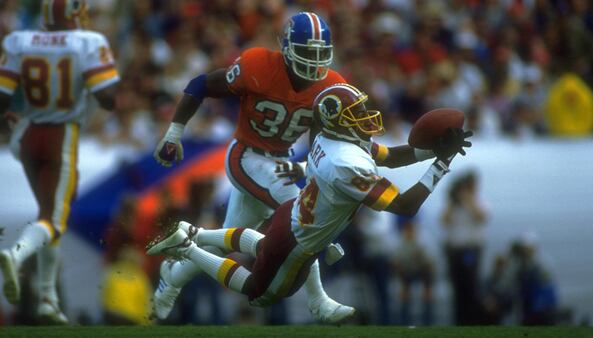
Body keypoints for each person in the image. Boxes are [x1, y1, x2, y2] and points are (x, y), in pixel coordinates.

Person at [146, 83, 472, 319]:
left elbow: (394, 156)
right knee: (259, 292)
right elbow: (406, 206)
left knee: (260, 248)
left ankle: (196, 233)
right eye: (355, 112)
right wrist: (441, 164)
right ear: (337, 119)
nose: (365, 116)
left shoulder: (333, 137)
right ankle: (189, 247)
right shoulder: (347, 163)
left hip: (292, 214)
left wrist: (436, 150)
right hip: (298, 241)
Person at [151, 12, 354, 323]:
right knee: (298, 218)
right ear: (287, 49)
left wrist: (304, 166)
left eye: (319, 54)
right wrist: (174, 132)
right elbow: (200, 84)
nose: (314, 63)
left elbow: (320, 141)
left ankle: (173, 276)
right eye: (306, 52)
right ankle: (318, 300)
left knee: (224, 248)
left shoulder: (331, 86)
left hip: (282, 161)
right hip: (246, 155)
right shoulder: (258, 65)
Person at [0, 0, 119, 324]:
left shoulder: (19, 41)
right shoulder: (87, 42)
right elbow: (108, 99)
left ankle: (47, 298)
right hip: (60, 135)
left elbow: (2, 97)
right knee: (53, 218)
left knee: (49, 216)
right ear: (74, 14)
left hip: (27, 133)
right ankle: (16, 254)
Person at [441, 170, 488, 325]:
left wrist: (467, 198)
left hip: (471, 250)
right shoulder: (453, 205)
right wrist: (453, 201)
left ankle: (473, 321)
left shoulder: (478, 201)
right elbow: (444, 221)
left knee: (472, 288)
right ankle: (459, 323)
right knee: (458, 289)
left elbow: (481, 217)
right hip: (455, 252)